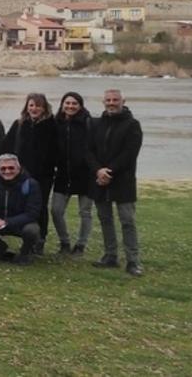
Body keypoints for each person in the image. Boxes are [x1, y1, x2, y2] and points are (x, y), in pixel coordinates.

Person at [86, 89, 144, 277]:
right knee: (105, 219)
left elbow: (130, 153)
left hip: (122, 180)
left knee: (127, 220)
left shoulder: (132, 125)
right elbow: (88, 151)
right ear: (103, 101)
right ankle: (110, 255)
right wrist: (98, 170)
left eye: (115, 100)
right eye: (108, 100)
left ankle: (133, 261)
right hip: (100, 179)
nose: (111, 103)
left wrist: (108, 171)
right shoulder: (96, 124)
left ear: (123, 101)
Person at [2, 92, 57, 254]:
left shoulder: (52, 125)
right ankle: (26, 238)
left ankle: (40, 239)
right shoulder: (19, 124)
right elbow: (6, 146)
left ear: (44, 108)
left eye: (38, 105)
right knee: (21, 206)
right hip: (20, 175)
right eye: (31, 105)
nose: (34, 109)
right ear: (27, 107)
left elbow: (55, 153)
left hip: (42, 176)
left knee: (40, 207)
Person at [52, 92, 93, 256]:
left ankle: (81, 245)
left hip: (86, 174)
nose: (70, 106)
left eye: (74, 103)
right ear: (62, 105)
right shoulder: (56, 123)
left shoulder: (89, 123)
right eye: (67, 103)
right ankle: (65, 242)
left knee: (85, 212)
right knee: (56, 210)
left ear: (80, 105)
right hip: (63, 174)